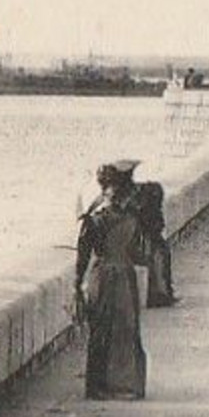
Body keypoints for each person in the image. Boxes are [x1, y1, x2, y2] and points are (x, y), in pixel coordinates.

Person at [76, 160, 149, 401]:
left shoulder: (95, 218)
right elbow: (138, 252)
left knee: (101, 329)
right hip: (124, 275)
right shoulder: (132, 216)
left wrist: (78, 284)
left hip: (103, 275)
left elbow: (84, 255)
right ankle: (126, 382)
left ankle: (97, 385)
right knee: (126, 328)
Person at [135, 176, 178, 307]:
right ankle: (161, 294)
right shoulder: (155, 213)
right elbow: (159, 226)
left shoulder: (138, 209)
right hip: (153, 243)